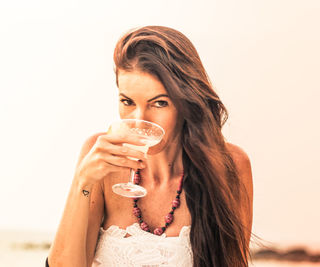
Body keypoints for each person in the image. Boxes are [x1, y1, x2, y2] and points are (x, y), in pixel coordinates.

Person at [46, 25, 253, 267]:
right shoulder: (100, 157)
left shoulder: (230, 165)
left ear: (186, 101)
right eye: (127, 102)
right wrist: (83, 181)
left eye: (159, 103)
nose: (138, 121)